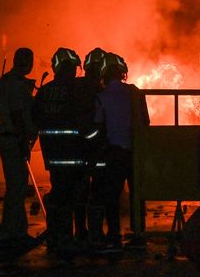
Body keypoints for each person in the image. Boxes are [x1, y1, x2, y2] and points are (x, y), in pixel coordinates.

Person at [93, 52, 150, 252]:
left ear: (104, 74)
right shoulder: (135, 92)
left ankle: (114, 237)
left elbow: (98, 127)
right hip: (135, 152)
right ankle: (139, 234)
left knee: (112, 196)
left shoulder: (101, 97)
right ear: (123, 72)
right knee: (137, 193)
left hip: (113, 152)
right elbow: (146, 122)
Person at [32, 47, 84, 257]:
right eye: (73, 68)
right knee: (74, 195)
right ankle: (68, 238)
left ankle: (56, 235)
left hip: (52, 152)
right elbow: (85, 117)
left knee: (59, 191)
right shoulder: (76, 90)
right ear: (69, 68)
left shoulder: (44, 91)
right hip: (73, 151)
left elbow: (34, 117)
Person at [0, 47, 40, 251]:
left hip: (8, 138)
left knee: (15, 187)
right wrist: (24, 141)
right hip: (14, 139)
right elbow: (18, 114)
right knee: (17, 187)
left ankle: (10, 230)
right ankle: (14, 234)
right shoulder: (16, 84)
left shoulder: (5, 81)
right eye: (29, 61)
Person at [73, 47, 107, 248]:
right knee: (98, 192)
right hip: (98, 149)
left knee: (79, 190)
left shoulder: (75, 87)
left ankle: (80, 232)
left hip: (76, 149)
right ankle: (95, 233)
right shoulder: (101, 91)